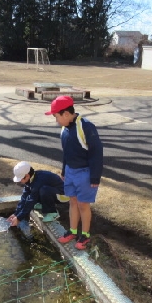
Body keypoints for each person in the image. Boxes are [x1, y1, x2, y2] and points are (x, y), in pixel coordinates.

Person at [45, 95, 103, 250]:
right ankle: (72, 231)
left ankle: (84, 234)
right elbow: (66, 153)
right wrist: (64, 170)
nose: (56, 120)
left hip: (85, 172)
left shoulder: (85, 127)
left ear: (65, 114)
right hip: (70, 171)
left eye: (56, 116)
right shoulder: (64, 129)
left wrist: (95, 176)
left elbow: (96, 153)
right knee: (73, 201)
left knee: (83, 204)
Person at [7, 161, 67, 227]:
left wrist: (19, 218)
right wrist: (16, 213)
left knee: (44, 190)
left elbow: (31, 200)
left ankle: (52, 212)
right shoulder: (31, 179)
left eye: (20, 179)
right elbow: (24, 196)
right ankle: (43, 204)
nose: (19, 181)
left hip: (63, 196)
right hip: (53, 192)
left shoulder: (38, 181)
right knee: (36, 191)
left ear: (27, 176)